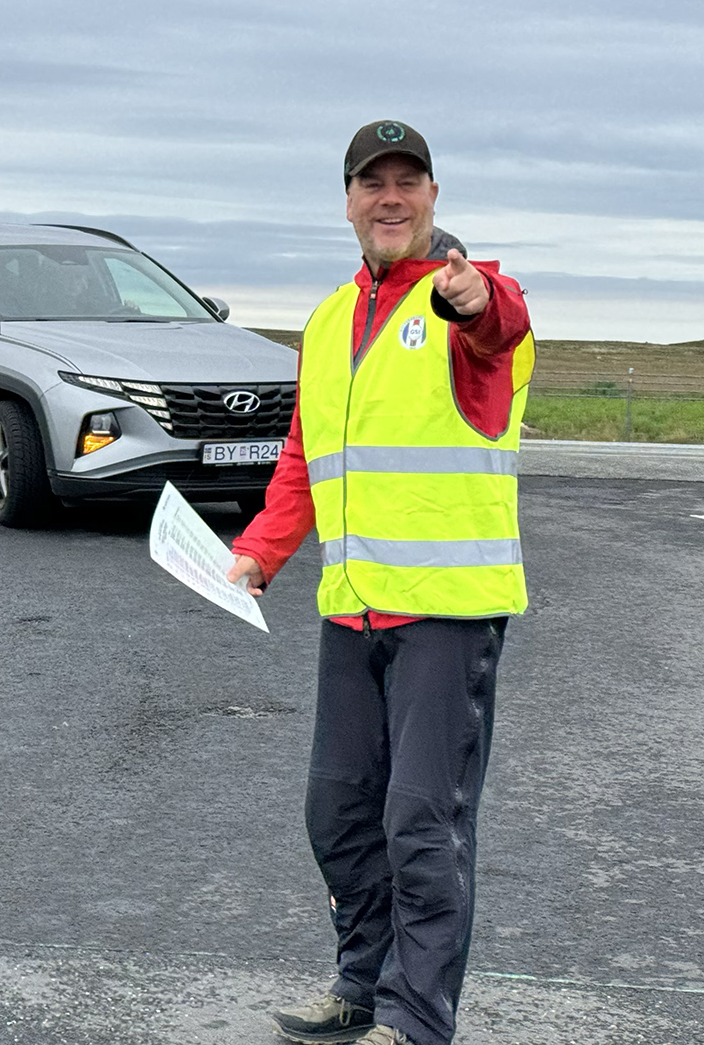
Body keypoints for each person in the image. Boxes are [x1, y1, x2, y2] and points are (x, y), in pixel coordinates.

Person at [226, 120, 533, 1045]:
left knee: (421, 825)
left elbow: (499, 323)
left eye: (409, 181)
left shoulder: (464, 298)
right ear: (350, 200)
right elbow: (304, 458)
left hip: (446, 614)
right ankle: (361, 988)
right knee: (340, 812)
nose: (390, 197)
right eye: (373, 183)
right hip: (353, 611)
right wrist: (258, 554)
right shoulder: (326, 321)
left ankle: (416, 1019)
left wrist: (475, 296)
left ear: (434, 196)